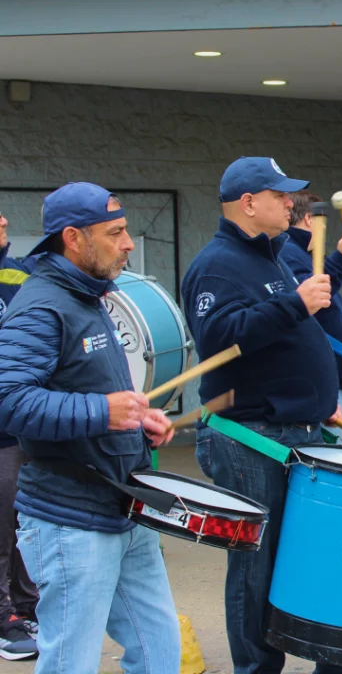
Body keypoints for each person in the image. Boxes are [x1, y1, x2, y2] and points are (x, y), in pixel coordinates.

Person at [181, 157, 342, 674]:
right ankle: (256, 669)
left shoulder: (272, 255)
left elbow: (285, 336)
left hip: (293, 430)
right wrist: (294, 306)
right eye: (280, 195)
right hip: (250, 439)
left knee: (303, 555)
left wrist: (315, 396)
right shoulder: (216, 264)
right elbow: (218, 340)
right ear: (248, 203)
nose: (290, 203)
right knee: (253, 568)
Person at [0, 183, 179, 669]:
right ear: (74, 238)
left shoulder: (91, 295)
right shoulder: (42, 307)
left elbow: (88, 391)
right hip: (69, 518)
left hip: (125, 507)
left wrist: (137, 421)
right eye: (116, 232)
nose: (128, 243)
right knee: (70, 662)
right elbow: (8, 402)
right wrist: (103, 412)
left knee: (161, 652)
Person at [280, 190, 342, 444]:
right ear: (309, 220)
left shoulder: (299, 254)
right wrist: (341, 259)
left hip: (332, 375)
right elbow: (312, 301)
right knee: (336, 463)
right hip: (322, 379)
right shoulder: (287, 252)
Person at [0, 211, 39, 660]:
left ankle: (25, 605)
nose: (6, 217)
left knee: (18, 517)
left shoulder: (17, 273)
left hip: (15, 423)